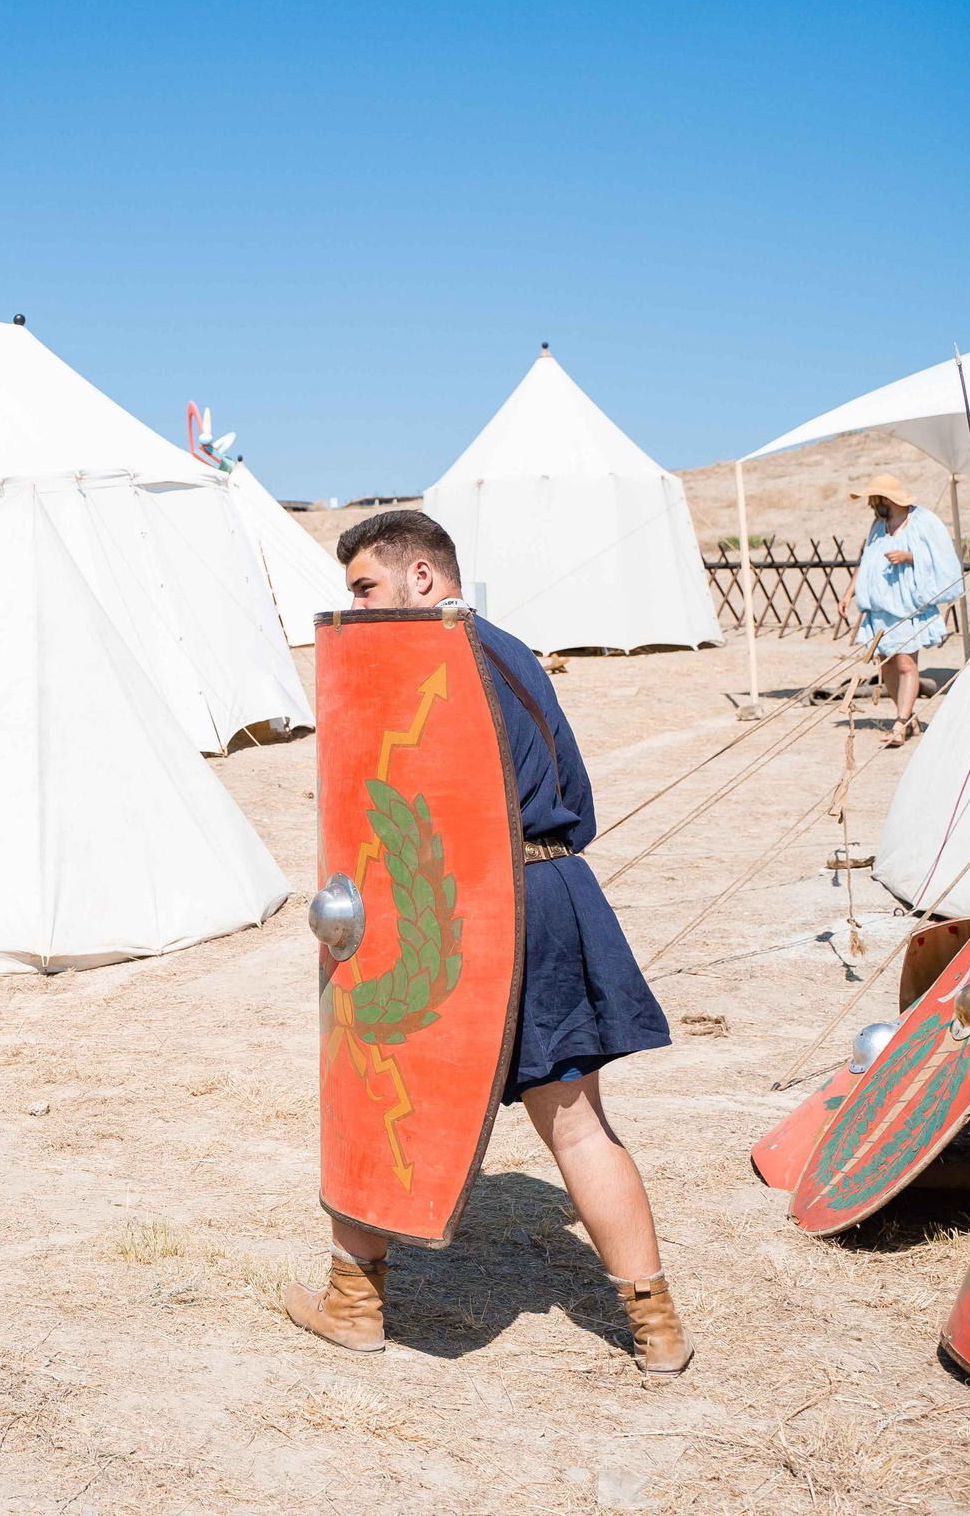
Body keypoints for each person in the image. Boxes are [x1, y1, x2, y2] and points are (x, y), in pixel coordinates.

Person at [282, 509, 693, 1375]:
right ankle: (656, 1327)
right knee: (579, 1126)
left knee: (371, 1072)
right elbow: (577, 798)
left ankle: (354, 1302)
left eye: (365, 586)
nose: (354, 608)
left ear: (422, 576)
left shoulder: (421, 665)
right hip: (548, 888)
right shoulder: (516, 654)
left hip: (465, 910)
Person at [839, 473, 964, 747]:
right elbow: (866, 561)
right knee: (888, 666)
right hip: (881, 609)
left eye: (873, 499)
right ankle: (906, 718)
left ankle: (900, 725)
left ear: (885, 499)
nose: (871, 505)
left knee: (907, 664)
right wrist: (849, 593)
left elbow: (942, 558)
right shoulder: (878, 525)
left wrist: (909, 557)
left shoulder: (923, 521)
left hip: (908, 608)